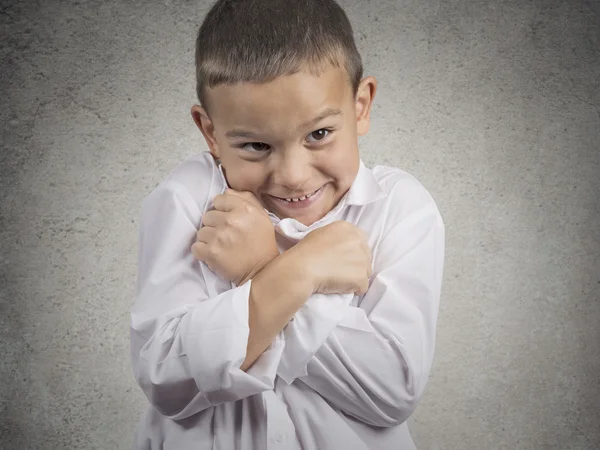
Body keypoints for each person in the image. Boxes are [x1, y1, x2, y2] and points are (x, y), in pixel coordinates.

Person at [129, 0, 445, 449]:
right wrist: (300, 272)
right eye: (256, 145)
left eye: (319, 134)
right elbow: (165, 379)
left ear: (360, 106)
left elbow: (393, 391)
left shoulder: (399, 208)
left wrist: (260, 267)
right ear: (211, 132)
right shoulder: (187, 198)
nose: (293, 175)